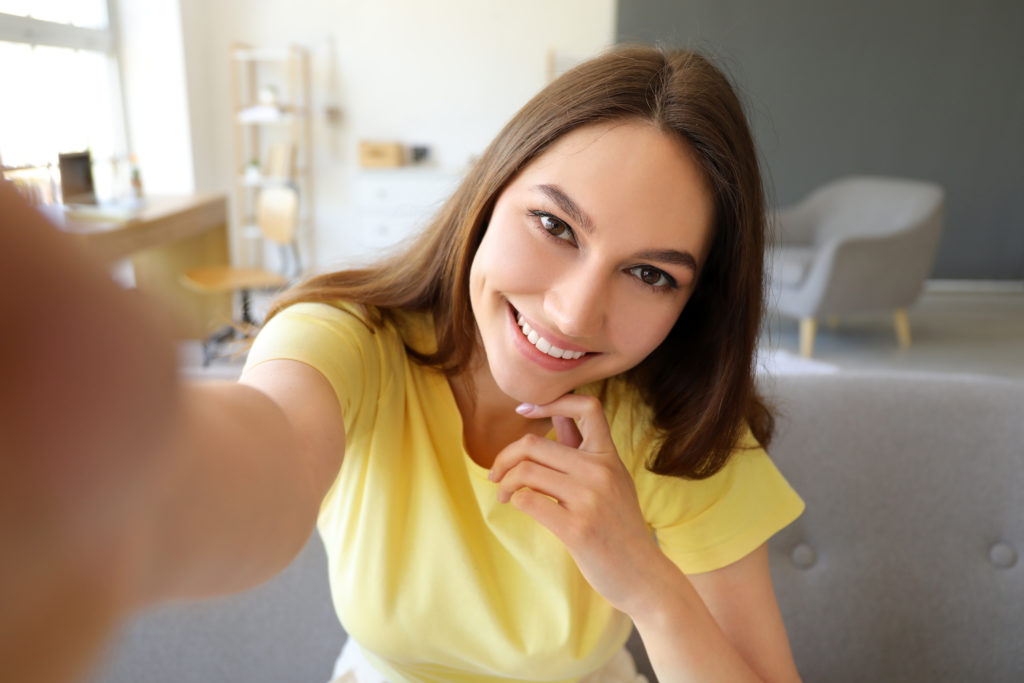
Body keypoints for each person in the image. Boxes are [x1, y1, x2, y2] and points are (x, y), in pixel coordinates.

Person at [0, 45, 804, 683]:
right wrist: (98, 470)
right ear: (487, 197)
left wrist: (646, 584)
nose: (572, 312)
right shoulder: (351, 340)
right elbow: (264, 452)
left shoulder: (680, 419)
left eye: (650, 274)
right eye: (556, 226)